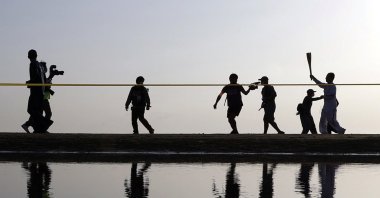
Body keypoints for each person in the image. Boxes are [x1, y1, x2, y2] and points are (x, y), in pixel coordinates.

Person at [22, 50, 53, 133]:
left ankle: (39, 128)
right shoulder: (39, 65)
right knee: (37, 111)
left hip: (39, 92)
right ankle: (39, 128)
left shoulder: (35, 65)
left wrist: (29, 82)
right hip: (41, 92)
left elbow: (37, 76)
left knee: (35, 111)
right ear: (36, 55)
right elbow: (41, 75)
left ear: (28, 57)